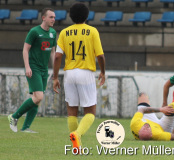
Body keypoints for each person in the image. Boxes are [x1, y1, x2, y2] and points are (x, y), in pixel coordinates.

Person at [52, 2, 105, 152]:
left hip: (69, 74)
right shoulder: (92, 31)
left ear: (71, 16)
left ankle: (76, 146)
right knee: (90, 112)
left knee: (72, 112)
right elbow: (100, 55)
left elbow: (57, 57)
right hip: (85, 72)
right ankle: (77, 134)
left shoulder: (64, 32)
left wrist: (55, 78)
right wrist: (103, 72)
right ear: (87, 16)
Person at [8, 8, 56, 133]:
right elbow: (25, 49)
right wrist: (27, 67)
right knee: (39, 96)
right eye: (51, 17)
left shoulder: (53, 33)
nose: (53, 19)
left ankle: (25, 128)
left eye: (54, 17)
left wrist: (55, 70)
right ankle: (14, 117)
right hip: (34, 68)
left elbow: (52, 52)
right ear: (43, 18)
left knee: (36, 98)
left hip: (44, 70)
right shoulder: (34, 31)